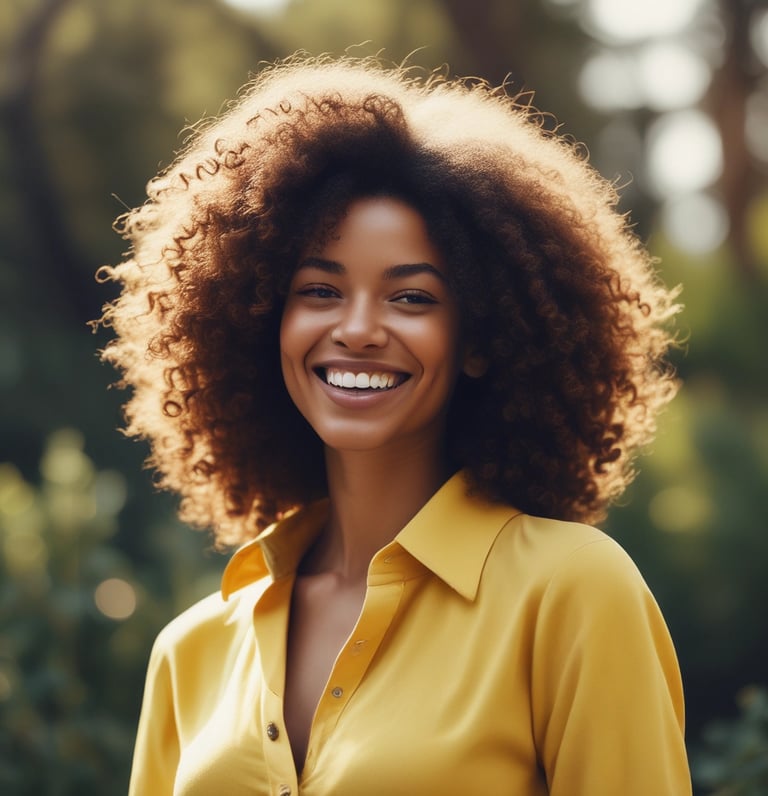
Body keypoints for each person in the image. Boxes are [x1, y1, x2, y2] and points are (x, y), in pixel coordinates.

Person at [98, 54, 691, 795]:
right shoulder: (190, 651)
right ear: (261, 322)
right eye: (319, 289)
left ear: (480, 339)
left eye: (410, 299)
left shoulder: (571, 593)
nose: (357, 329)